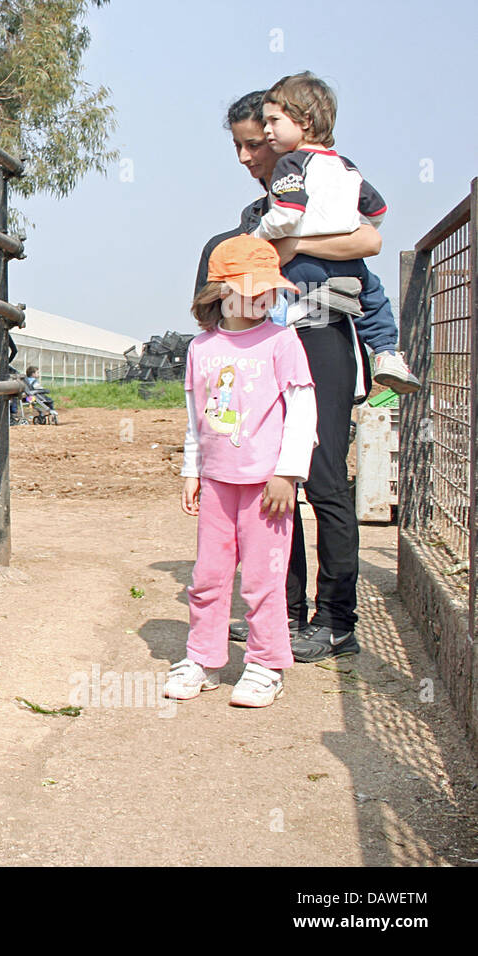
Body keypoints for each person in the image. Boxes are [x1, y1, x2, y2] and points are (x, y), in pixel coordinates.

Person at [197, 90, 377, 662]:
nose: (250, 154)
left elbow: (369, 239)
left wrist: (287, 240)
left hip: (320, 335)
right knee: (270, 479)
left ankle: (337, 618)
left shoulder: (325, 191)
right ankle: (284, 610)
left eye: (258, 140)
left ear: (287, 135)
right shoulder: (253, 219)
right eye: (241, 146)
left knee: (322, 477)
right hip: (263, 347)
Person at [166, 235, 317, 708]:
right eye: (249, 290)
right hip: (216, 481)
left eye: (267, 290)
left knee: (262, 576)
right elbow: (197, 416)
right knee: (208, 574)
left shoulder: (282, 340)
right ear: (219, 293)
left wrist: (287, 473)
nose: (260, 299)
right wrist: (192, 469)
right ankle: (203, 657)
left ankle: (266, 663)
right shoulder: (201, 349)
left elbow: (302, 407)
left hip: (266, 485)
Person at [252, 72, 419, 393]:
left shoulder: (291, 164)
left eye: (273, 120)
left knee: (294, 306)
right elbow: (378, 210)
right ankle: (386, 353)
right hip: (349, 262)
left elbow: (287, 216)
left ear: (305, 120)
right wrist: (345, 225)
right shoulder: (345, 166)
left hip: (303, 265)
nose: (267, 130)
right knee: (373, 297)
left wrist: (260, 235)